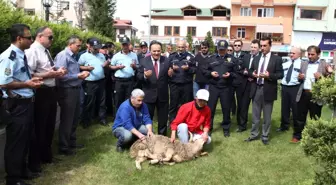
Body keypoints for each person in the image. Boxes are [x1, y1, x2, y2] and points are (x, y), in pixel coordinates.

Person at [0, 23, 43, 185]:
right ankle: (13, 179)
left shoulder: (20, 54)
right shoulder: (9, 55)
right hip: (16, 105)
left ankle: (22, 171)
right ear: (19, 38)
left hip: (26, 103)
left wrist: (30, 80)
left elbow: (19, 76)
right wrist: (28, 85)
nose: (31, 40)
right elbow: (3, 83)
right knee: (16, 143)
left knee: (25, 140)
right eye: (29, 37)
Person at [25, 26, 66, 172]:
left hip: (50, 91)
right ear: (39, 36)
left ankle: (46, 156)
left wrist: (57, 72)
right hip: (40, 92)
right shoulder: (32, 51)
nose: (52, 40)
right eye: (50, 37)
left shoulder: (45, 50)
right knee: (39, 127)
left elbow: (47, 70)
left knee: (49, 126)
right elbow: (28, 76)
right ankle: (35, 163)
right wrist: (49, 75)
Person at [54, 35, 90, 155]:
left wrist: (81, 74)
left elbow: (72, 72)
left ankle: (71, 141)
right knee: (67, 119)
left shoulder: (73, 56)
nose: (79, 48)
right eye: (78, 45)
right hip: (67, 90)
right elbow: (60, 76)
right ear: (70, 44)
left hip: (75, 89)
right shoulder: (63, 56)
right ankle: (64, 146)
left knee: (74, 118)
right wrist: (77, 76)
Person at [245, 37, 283, 145]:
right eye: (261, 46)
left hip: (268, 89)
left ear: (270, 46)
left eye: (265, 46)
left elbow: (281, 75)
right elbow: (251, 70)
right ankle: (254, 134)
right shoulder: (257, 58)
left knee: (267, 116)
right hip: (256, 88)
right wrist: (253, 74)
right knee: (255, 115)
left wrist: (269, 75)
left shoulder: (276, 59)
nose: (262, 48)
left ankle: (265, 135)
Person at [295, 45, 333, 142]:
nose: (310, 56)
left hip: (316, 95)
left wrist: (321, 77)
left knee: (315, 117)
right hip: (304, 93)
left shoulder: (324, 64)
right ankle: (298, 136)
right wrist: (299, 77)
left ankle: (314, 137)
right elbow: (298, 77)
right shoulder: (304, 63)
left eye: (312, 54)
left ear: (318, 54)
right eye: (309, 54)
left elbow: (331, 79)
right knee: (300, 116)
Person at [203, 40, 238, 137]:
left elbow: (236, 73)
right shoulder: (211, 58)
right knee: (210, 109)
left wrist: (230, 74)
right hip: (213, 87)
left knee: (226, 109)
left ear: (227, 49)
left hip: (226, 88)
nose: (221, 51)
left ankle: (226, 128)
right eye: (220, 49)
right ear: (217, 48)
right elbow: (204, 71)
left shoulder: (232, 59)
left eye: (223, 50)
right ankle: (209, 128)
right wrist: (210, 73)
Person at [137, 41, 170, 135]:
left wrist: (171, 74)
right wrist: (144, 76)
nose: (156, 53)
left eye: (158, 51)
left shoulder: (166, 60)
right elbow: (138, 76)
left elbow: (170, 75)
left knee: (163, 119)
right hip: (148, 95)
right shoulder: (143, 61)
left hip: (162, 95)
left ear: (161, 50)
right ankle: (147, 137)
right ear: (150, 50)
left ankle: (162, 138)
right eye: (154, 51)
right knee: (147, 118)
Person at [78, 38, 109, 127]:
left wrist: (106, 64)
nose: (97, 50)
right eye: (95, 48)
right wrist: (86, 68)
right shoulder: (84, 56)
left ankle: (102, 118)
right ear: (90, 47)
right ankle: (86, 120)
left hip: (101, 81)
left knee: (102, 101)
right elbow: (79, 66)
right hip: (90, 82)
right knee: (89, 102)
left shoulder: (101, 55)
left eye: (98, 48)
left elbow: (103, 65)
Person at [277, 47, 303, 141]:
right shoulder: (286, 63)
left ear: (299, 54)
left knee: (296, 109)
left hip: (295, 88)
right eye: (290, 53)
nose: (291, 54)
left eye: (293, 53)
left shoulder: (302, 64)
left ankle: (297, 129)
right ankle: (284, 125)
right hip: (285, 87)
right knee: (284, 107)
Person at [168, 40, 196, 123]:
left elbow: (195, 69)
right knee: (173, 104)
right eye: (179, 47)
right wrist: (171, 69)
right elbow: (167, 68)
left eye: (182, 47)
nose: (180, 49)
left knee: (186, 104)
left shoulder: (190, 57)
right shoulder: (171, 57)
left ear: (185, 47)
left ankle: (186, 121)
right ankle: (172, 122)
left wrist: (188, 69)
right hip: (174, 84)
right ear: (176, 47)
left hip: (186, 84)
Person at [237, 39, 260, 132]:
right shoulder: (246, 56)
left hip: (256, 84)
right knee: (244, 106)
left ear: (259, 48)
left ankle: (256, 127)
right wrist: (244, 72)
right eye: (252, 47)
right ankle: (242, 125)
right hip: (246, 84)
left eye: (255, 47)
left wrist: (250, 74)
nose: (253, 49)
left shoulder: (261, 58)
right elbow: (241, 69)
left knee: (256, 107)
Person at [110, 37, 139, 109]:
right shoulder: (116, 56)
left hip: (130, 81)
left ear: (129, 45)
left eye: (126, 45)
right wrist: (117, 67)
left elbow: (138, 66)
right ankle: (118, 117)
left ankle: (127, 116)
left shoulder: (134, 55)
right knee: (118, 99)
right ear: (121, 45)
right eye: (123, 45)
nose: (125, 46)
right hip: (119, 81)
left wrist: (134, 66)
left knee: (129, 100)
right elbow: (111, 66)